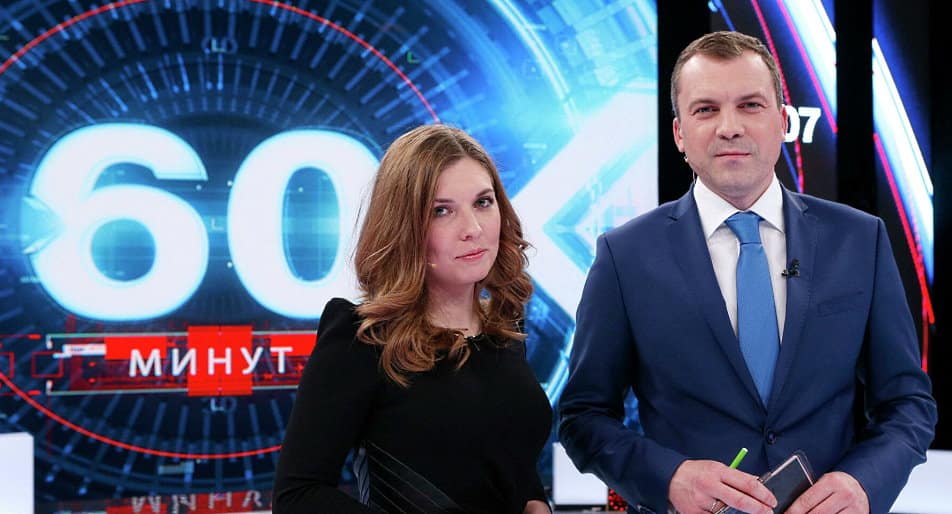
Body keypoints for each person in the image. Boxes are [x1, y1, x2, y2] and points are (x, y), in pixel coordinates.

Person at [558, 31, 937, 514]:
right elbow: (583, 416)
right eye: (706, 109)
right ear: (679, 134)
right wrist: (669, 479)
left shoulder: (861, 240)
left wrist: (862, 484)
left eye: (750, 105)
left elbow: (907, 403)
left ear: (783, 122)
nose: (729, 127)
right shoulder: (624, 256)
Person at [273, 124, 552, 514]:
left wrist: (535, 501)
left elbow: (502, 458)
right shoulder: (362, 337)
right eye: (442, 211)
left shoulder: (503, 330)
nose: (472, 229)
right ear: (405, 226)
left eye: (483, 202)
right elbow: (298, 495)